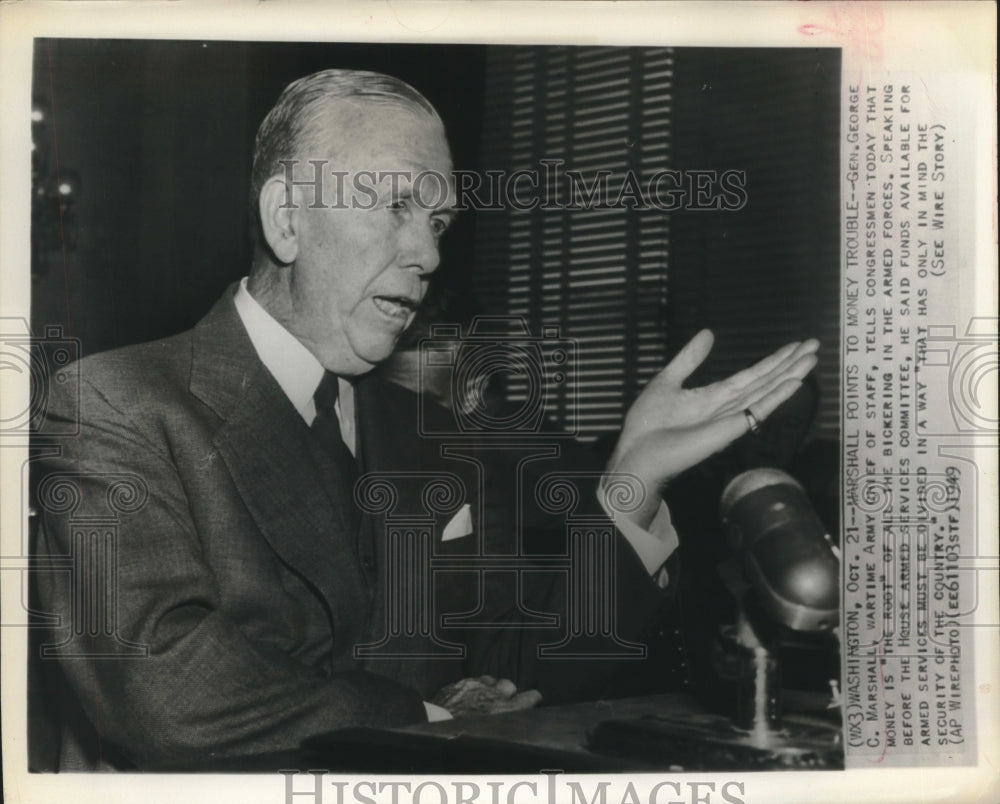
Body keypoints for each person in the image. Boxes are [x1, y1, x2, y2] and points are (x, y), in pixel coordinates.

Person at [31, 69, 818, 771]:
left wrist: (633, 484)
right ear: (287, 218)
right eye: (398, 205)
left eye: (438, 223)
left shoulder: (422, 431)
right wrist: (432, 720)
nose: (429, 256)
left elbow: (511, 658)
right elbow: (169, 692)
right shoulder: (112, 403)